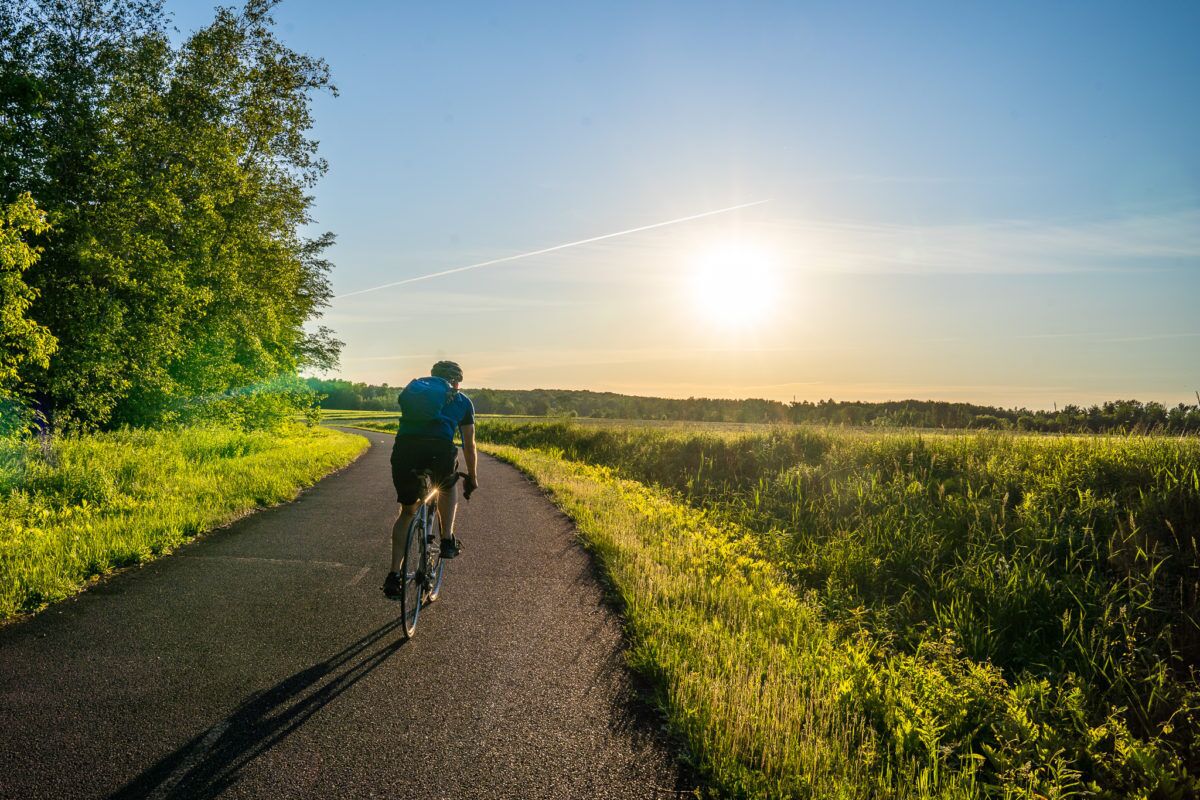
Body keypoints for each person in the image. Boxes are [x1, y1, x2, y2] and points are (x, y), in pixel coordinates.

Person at [383, 360, 479, 598]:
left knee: (407, 512)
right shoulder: (462, 400)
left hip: (405, 451)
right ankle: (447, 540)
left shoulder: (417, 393)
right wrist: (473, 477)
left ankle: (394, 575)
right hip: (439, 453)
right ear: (456, 381)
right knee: (448, 484)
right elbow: (469, 444)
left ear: (433, 377)